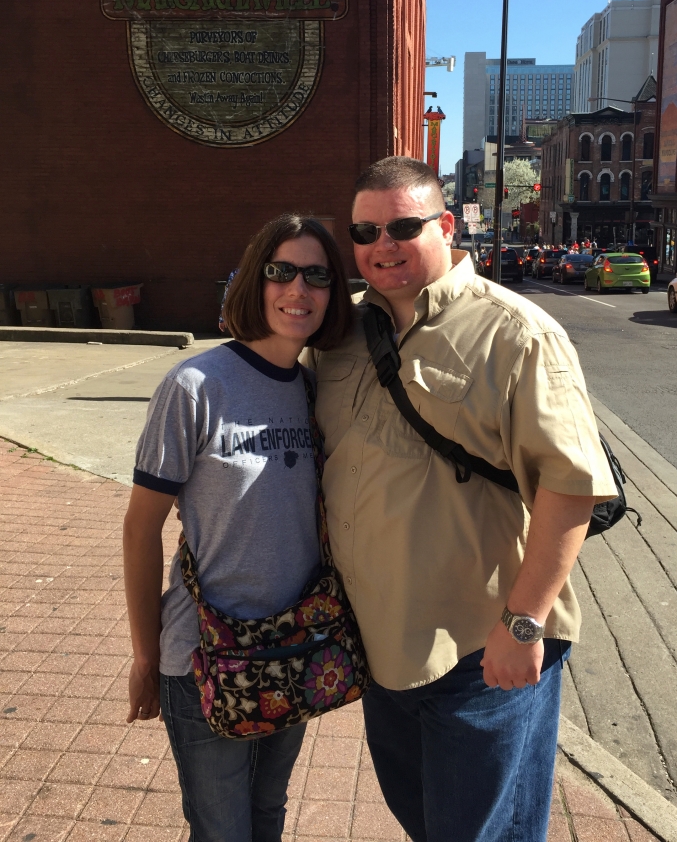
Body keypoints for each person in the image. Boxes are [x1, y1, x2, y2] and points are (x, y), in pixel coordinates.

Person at [306, 158, 615, 842]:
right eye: (365, 231)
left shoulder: (518, 333)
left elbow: (572, 487)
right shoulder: (340, 337)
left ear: (446, 226)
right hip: (381, 647)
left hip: (482, 651)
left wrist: (524, 623)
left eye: (403, 227)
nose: (382, 245)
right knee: (424, 820)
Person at [123, 214, 352, 842]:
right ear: (256, 280)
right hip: (205, 656)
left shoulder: (315, 392)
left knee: (268, 812)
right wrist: (145, 655)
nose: (299, 289)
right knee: (221, 828)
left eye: (317, 276)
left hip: (293, 649)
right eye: (282, 271)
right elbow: (140, 529)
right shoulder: (195, 387)